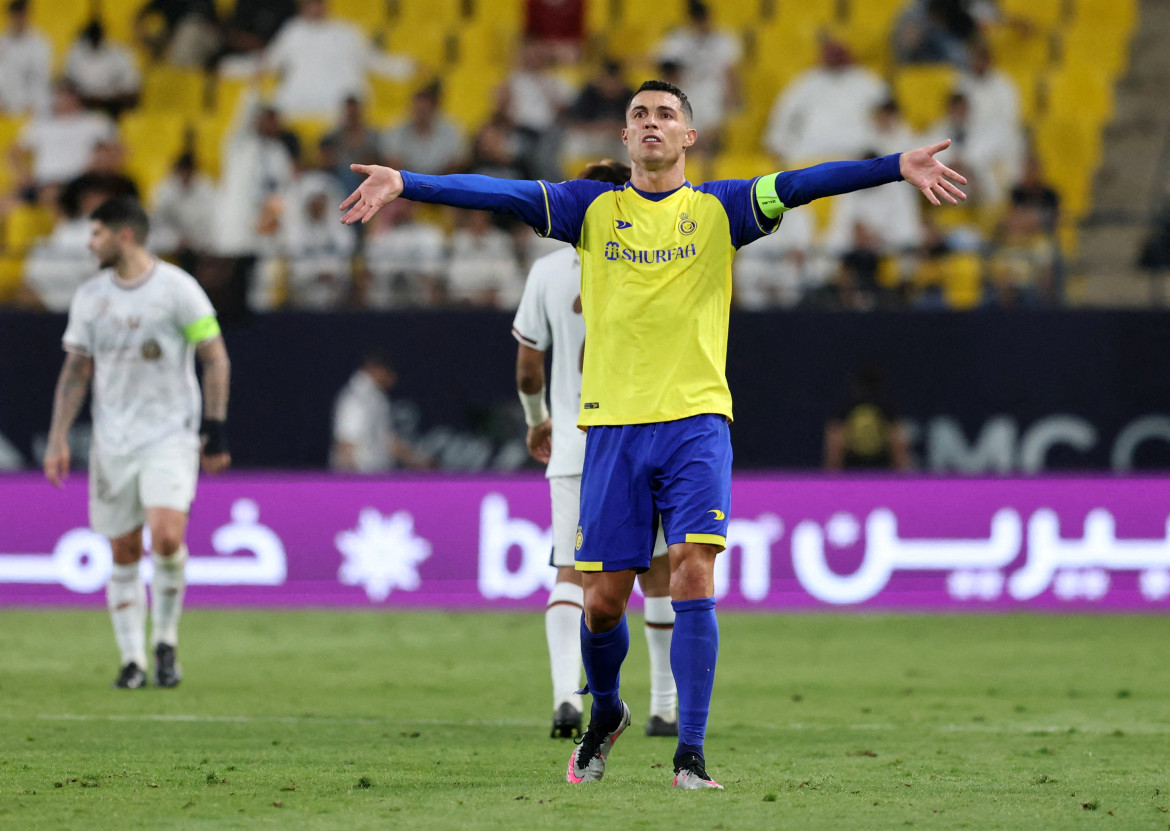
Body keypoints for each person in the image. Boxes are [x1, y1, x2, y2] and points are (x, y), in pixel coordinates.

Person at [340, 79, 965, 790]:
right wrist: (406, 181)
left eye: (666, 114)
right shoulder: (590, 209)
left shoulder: (722, 209)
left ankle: (690, 753)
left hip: (697, 420)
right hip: (611, 426)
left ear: (688, 137)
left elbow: (803, 183)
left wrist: (894, 165)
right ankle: (606, 712)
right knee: (604, 600)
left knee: (694, 572)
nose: (652, 123)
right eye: (639, 115)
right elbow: (500, 193)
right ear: (626, 139)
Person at [513, 158, 678, 740]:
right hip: (641, 434)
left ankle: (566, 697)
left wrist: (539, 421)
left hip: (573, 445)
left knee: (569, 571)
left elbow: (530, 366)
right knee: (658, 570)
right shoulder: (656, 262)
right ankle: (663, 705)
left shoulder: (550, 271)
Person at [43, 196, 231, 690]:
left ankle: (165, 642)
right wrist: (59, 437)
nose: (90, 243)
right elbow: (76, 371)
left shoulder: (177, 289)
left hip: (170, 433)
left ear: (125, 235)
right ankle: (132, 659)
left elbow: (215, 357)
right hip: (113, 440)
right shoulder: (90, 297)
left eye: (97, 233)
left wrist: (215, 427)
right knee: (124, 550)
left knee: (167, 536)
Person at [330, 351, 429, 472]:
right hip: (360, 480)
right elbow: (345, 445)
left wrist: (419, 462)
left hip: (377, 477)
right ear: (375, 368)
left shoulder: (377, 397)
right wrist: (349, 486)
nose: (394, 378)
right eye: (390, 372)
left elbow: (388, 441)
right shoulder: (354, 398)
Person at [824, 364, 912, 470]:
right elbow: (898, 446)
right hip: (882, 474)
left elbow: (834, 448)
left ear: (855, 385)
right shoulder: (887, 409)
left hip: (851, 475)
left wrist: (832, 478)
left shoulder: (845, 409)